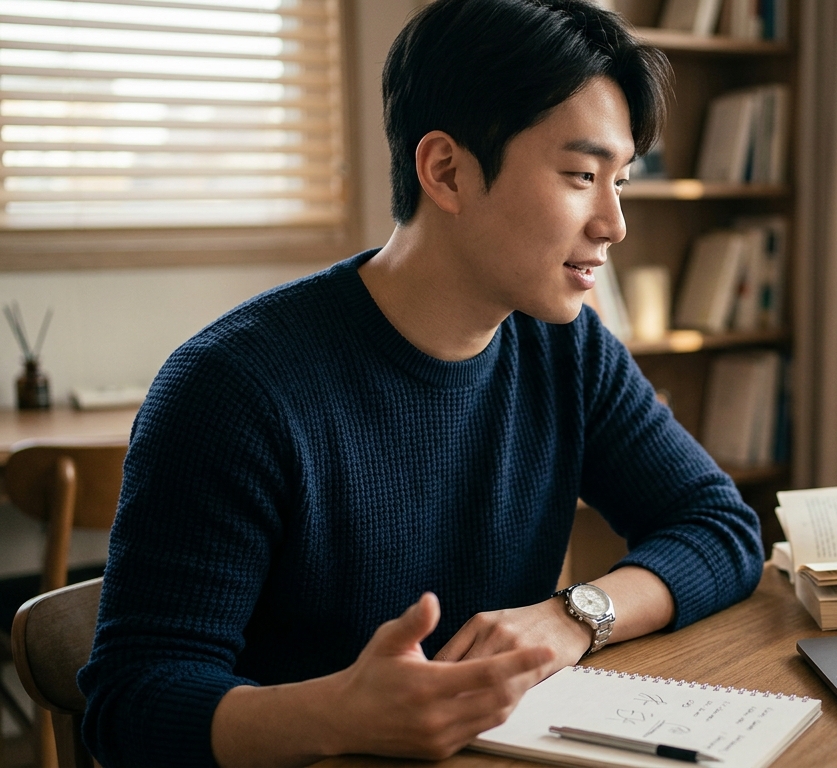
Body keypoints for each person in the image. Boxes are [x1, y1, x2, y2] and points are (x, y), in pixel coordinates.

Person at [76, 2, 764, 765]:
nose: (613, 223)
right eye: (580, 175)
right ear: (445, 170)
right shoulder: (232, 390)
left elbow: (721, 527)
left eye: (620, 181)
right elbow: (129, 706)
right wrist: (336, 714)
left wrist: (576, 614)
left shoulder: (565, 349)